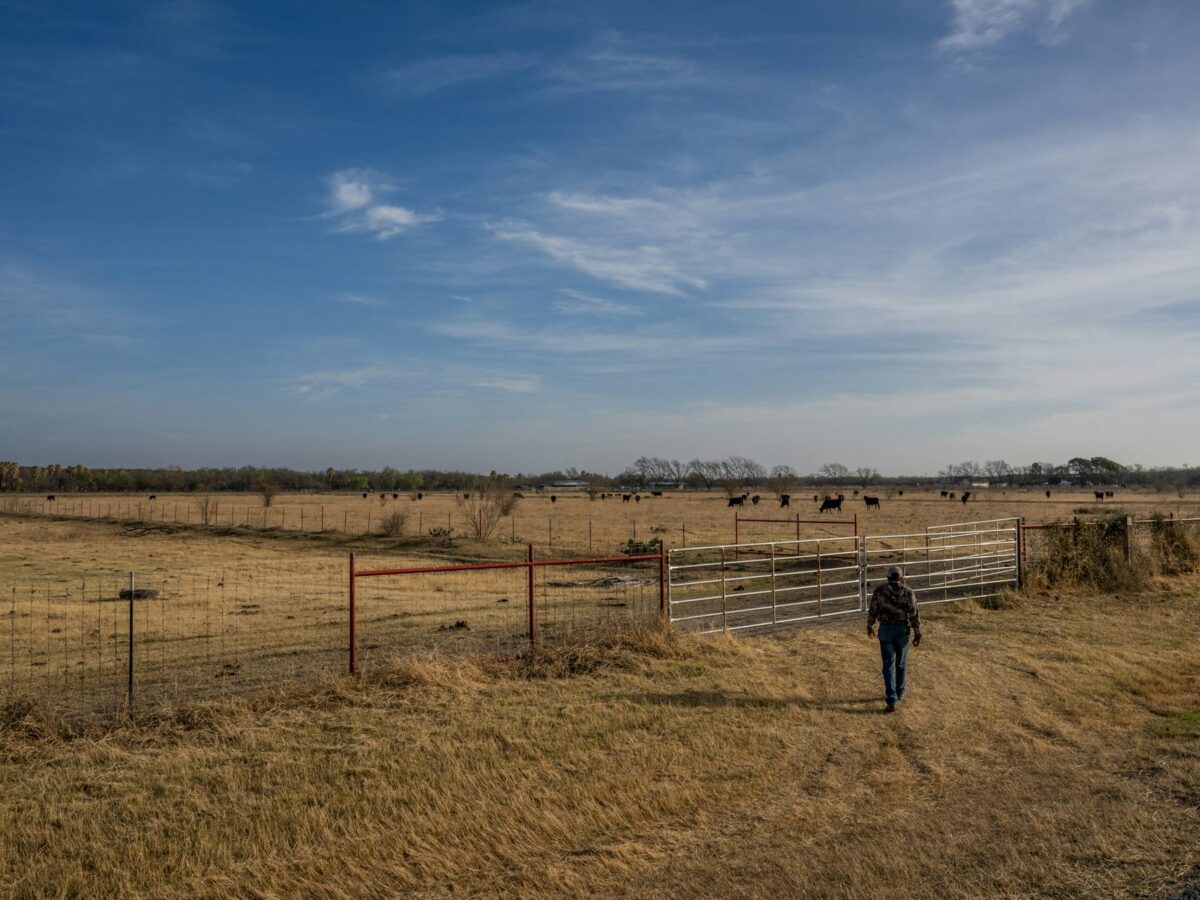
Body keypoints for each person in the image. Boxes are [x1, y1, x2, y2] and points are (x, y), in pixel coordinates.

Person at [867, 565, 922, 713]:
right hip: (902, 630)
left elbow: (873, 610)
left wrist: (870, 625)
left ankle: (891, 698)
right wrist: (917, 631)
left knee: (888, 665)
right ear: (901, 577)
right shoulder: (908, 592)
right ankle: (900, 691)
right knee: (901, 664)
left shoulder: (880, 591)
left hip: (885, 630)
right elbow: (914, 613)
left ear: (887, 578)